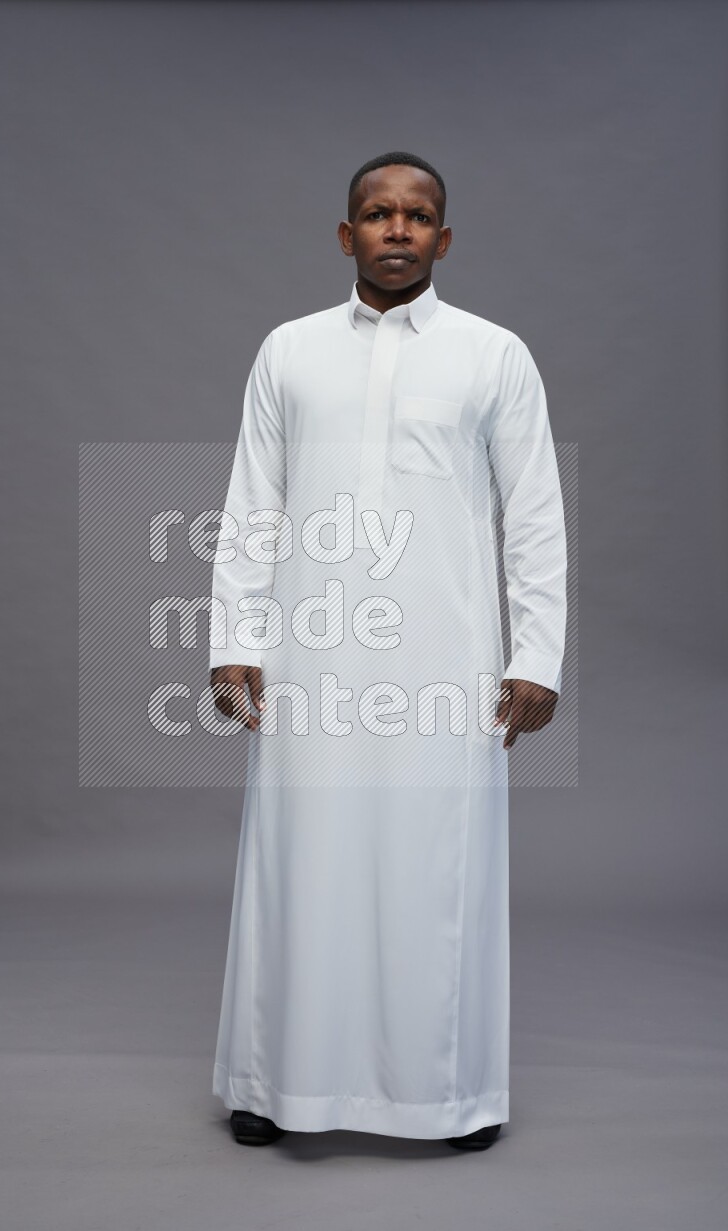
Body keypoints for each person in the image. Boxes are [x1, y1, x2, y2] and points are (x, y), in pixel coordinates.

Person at [208, 151, 567, 1149]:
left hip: (445, 658)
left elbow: (531, 514)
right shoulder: (288, 351)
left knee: (432, 867)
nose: (396, 229)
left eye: (416, 216)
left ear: (442, 239)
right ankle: (268, 1082)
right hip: (310, 653)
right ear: (345, 235)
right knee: (298, 862)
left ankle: (447, 1094)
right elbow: (252, 506)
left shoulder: (492, 355)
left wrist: (535, 653)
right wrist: (234, 636)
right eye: (376, 213)